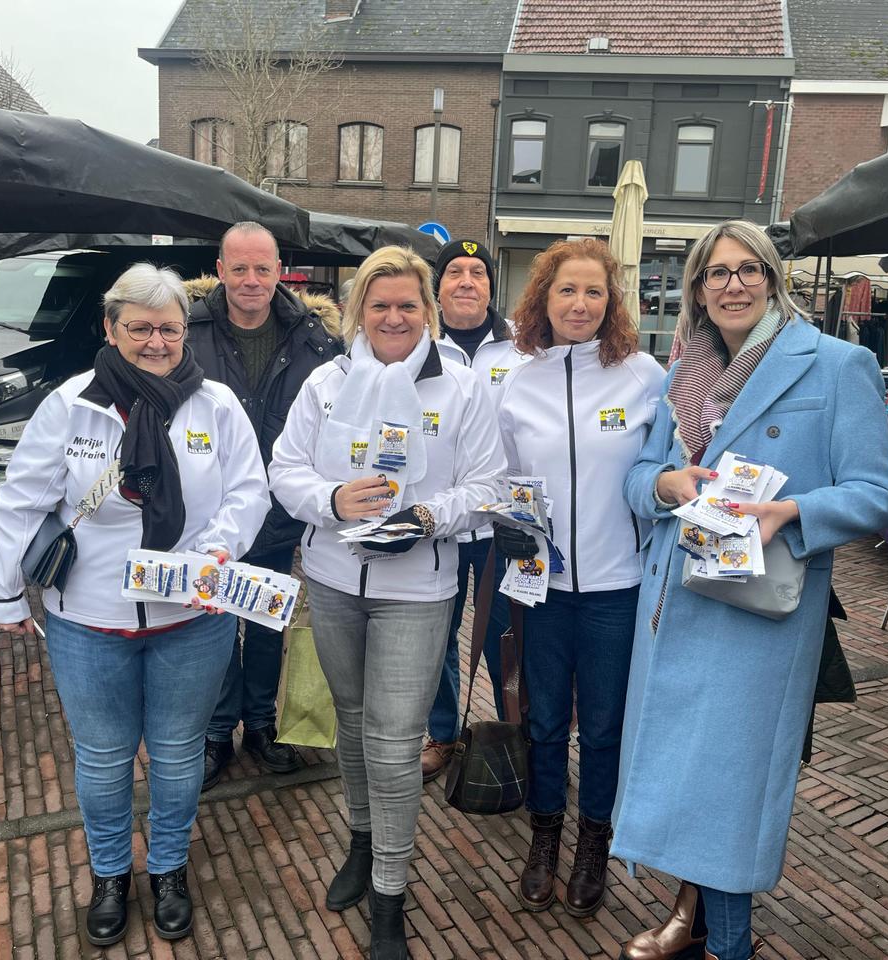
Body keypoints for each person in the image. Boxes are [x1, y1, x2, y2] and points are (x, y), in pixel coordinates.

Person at [613, 220, 888, 960]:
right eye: (716, 274)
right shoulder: (681, 372)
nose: (732, 285)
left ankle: (728, 945)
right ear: (698, 290)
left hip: (755, 616)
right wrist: (668, 483)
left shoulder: (836, 365)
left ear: (772, 280)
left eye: (747, 271)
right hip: (672, 600)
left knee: (731, 793)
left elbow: (877, 493)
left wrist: (793, 512)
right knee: (684, 777)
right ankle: (695, 918)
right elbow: (638, 481)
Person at [0, 264, 271, 947]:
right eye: (138, 327)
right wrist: (1, 594)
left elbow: (248, 491)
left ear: (184, 332)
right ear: (111, 330)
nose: (155, 341)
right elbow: (21, 500)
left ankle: (168, 867)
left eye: (168, 328)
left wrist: (218, 551)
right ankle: (111, 872)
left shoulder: (216, 404)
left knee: (175, 756)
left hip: (191, 617)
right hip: (88, 619)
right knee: (104, 758)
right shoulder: (71, 404)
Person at [268, 246, 506, 959]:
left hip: (419, 587)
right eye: (380, 306)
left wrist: (432, 518)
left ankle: (390, 896)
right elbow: (286, 470)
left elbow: (488, 485)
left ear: (427, 312)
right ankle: (361, 841)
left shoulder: (461, 389)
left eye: (408, 306)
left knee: (397, 743)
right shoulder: (325, 383)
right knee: (349, 723)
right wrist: (332, 499)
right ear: (357, 313)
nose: (394, 318)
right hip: (336, 580)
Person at [493, 237, 666, 917]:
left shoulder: (645, 377)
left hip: (616, 588)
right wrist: (518, 532)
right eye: (567, 290)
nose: (580, 303)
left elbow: (661, 474)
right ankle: (544, 838)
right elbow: (503, 484)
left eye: (595, 291)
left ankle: (594, 841)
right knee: (541, 723)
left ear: (611, 301)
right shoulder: (516, 382)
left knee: (601, 724)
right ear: (544, 298)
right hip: (541, 591)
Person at [190, 222, 342, 787]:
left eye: (263, 268)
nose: (251, 280)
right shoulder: (187, 331)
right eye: (240, 268)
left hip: (280, 510)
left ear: (281, 271)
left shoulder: (315, 339)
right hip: (209, 514)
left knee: (266, 620)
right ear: (221, 268)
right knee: (212, 622)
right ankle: (214, 732)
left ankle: (259, 723)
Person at [421, 238, 528, 781]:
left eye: (478, 273)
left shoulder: (522, 350)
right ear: (438, 288)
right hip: (436, 524)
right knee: (436, 634)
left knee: (504, 638)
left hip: (499, 523)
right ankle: (442, 733)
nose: (467, 281)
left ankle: (515, 735)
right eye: (455, 272)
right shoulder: (417, 349)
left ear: (491, 285)